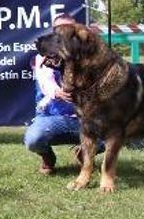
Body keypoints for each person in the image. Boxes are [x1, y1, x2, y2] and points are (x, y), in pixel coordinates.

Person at [24, 14, 101, 175]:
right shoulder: (43, 56)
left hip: (86, 118)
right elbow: (46, 83)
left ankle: (85, 152)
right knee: (33, 139)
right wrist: (58, 92)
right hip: (53, 117)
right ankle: (48, 158)